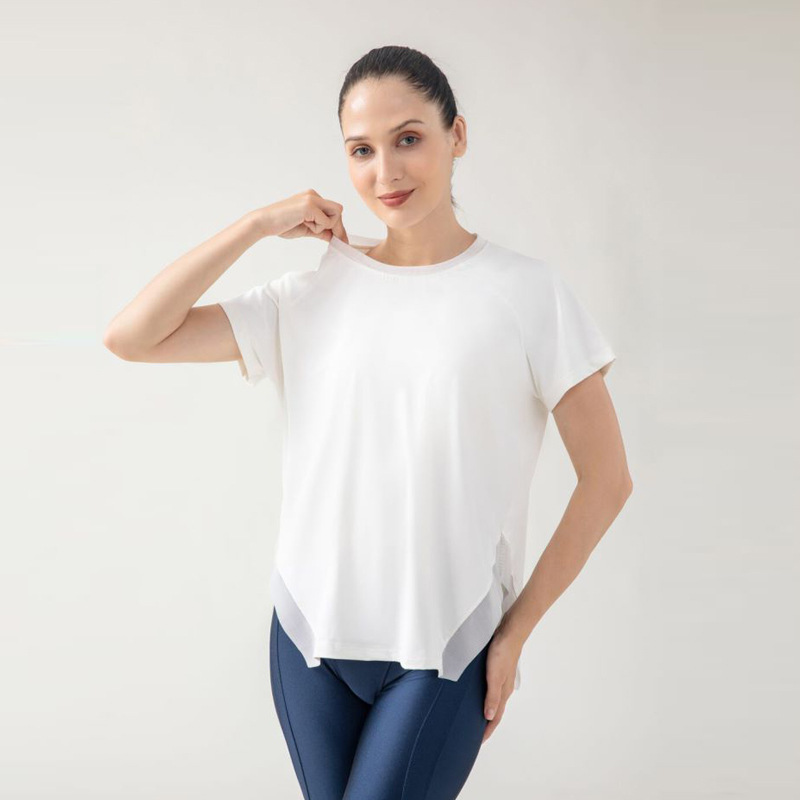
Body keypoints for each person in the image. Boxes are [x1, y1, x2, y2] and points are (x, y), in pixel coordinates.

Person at [103, 44, 633, 800]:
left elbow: (607, 481)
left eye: (408, 138)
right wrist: (257, 225)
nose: (387, 172)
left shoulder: (527, 294)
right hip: (308, 638)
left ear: (457, 135)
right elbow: (132, 337)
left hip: (445, 645)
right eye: (362, 150)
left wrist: (515, 633)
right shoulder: (310, 294)